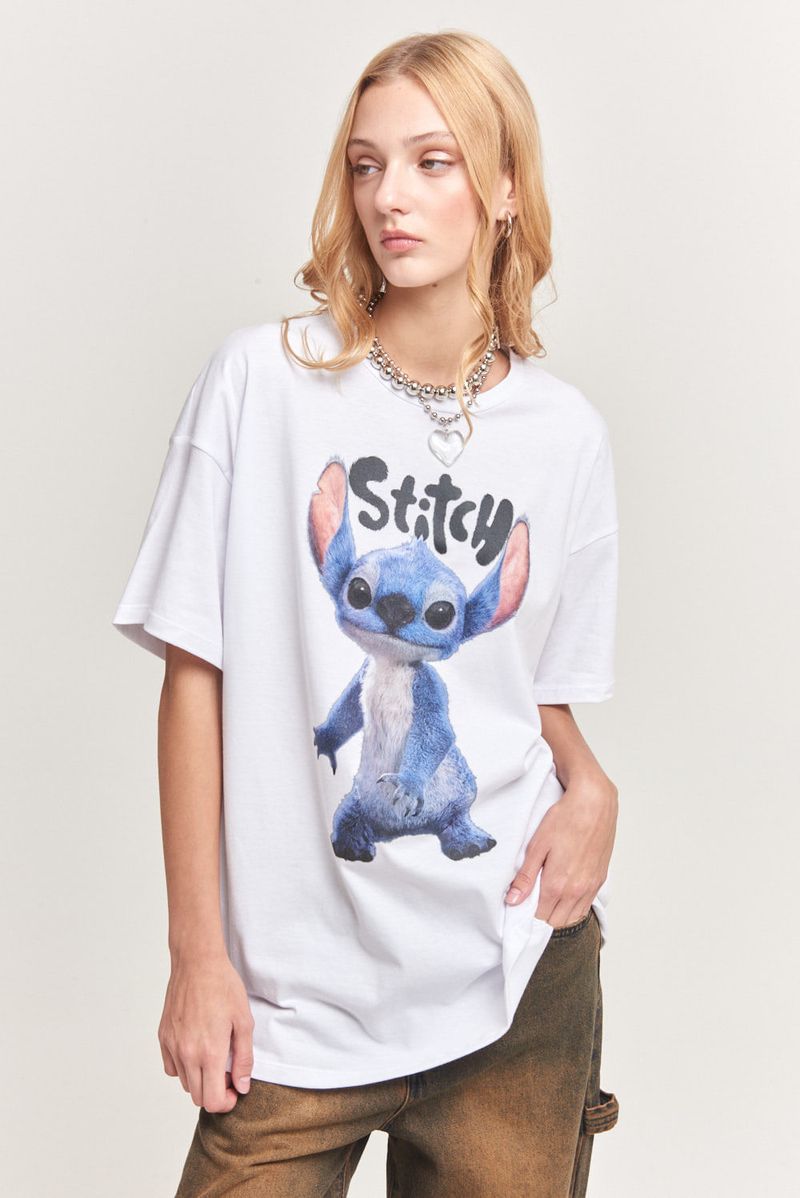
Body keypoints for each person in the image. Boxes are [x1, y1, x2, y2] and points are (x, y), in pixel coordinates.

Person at [112, 29, 621, 1198]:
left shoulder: (565, 437)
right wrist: (197, 955)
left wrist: (590, 785)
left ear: (504, 187)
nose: (390, 196)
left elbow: (525, 690)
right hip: (297, 996)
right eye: (365, 164)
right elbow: (196, 676)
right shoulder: (262, 383)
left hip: (511, 974)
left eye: (433, 162)